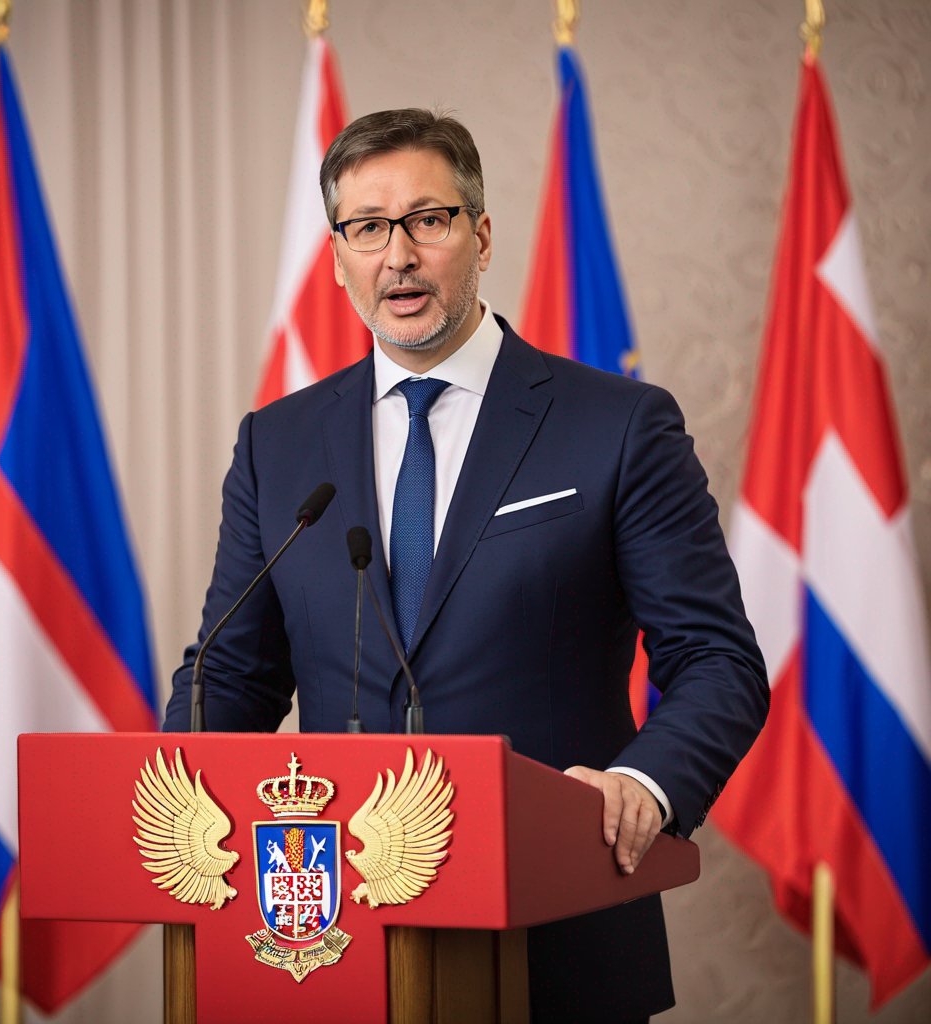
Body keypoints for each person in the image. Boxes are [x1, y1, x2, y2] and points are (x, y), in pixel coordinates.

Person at [163, 108, 769, 1022]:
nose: (398, 256)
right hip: (327, 944)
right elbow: (231, 677)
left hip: (558, 936)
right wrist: (176, 799)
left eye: (428, 220)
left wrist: (643, 786)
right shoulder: (276, 446)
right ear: (337, 257)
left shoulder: (618, 426)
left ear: (480, 236)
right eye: (368, 228)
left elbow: (717, 660)